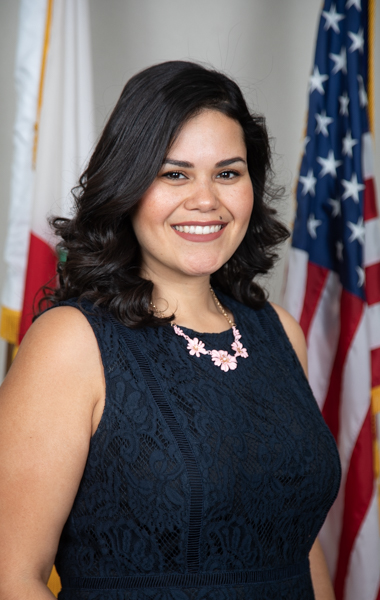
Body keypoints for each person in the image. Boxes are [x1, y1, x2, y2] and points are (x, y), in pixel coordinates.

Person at [0, 61, 340, 600]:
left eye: (228, 173)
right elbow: (11, 576)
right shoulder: (71, 343)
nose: (206, 199)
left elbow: (298, 541)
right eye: (174, 173)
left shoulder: (278, 332)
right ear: (128, 185)